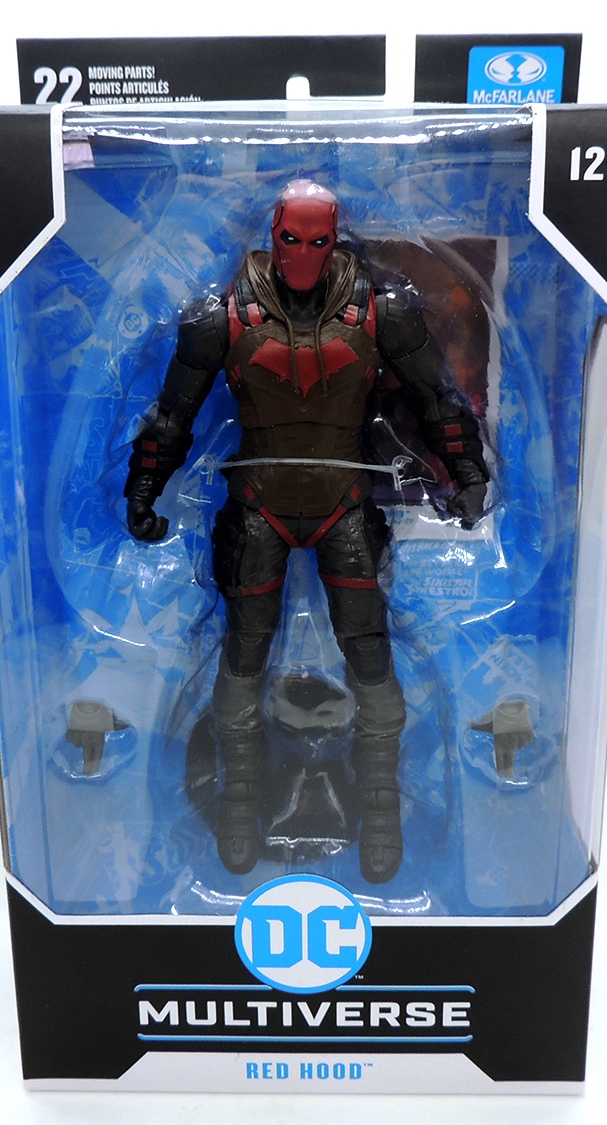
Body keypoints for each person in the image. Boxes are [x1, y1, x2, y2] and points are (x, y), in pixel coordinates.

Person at [124, 180, 488, 882]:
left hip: (343, 504)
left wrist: (468, 472)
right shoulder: (221, 319)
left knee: (370, 658)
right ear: (273, 235)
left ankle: (380, 811)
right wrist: (143, 488)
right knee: (243, 657)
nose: (303, 254)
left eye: (317, 241)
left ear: (335, 238)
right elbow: (172, 416)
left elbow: (438, 398)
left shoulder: (381, 311)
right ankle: (238, 806)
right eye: (292, 239)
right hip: (257, 504)